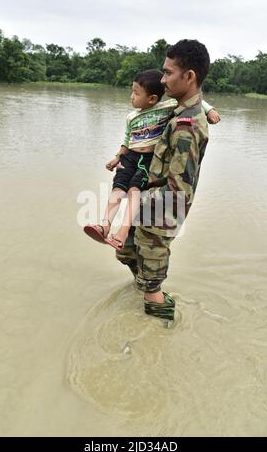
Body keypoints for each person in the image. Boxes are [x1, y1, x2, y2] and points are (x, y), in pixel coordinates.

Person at [115, 39, 212, 322]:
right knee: (126, 253)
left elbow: (178, 191)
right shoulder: (176, 111)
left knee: (151, 283)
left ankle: (161, 325)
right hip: (147, 205)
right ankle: (146, 286)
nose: (162, 79)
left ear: (189, 76)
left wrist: (135, 202)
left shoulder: (187, 126)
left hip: (159, 212)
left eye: (168, 73)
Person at [84, 68, 220, 251]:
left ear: (152, 99)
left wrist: (210, 110)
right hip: (130, 157)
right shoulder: (131, 117)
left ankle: (122, 232)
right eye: (132, 91)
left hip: (146, 159)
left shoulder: (166, 107)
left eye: (136, 93)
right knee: (117, 189)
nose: (131, 96)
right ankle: (104, 225)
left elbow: (196, 102)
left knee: (134, 191)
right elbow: (127, 139)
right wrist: (117, 157)